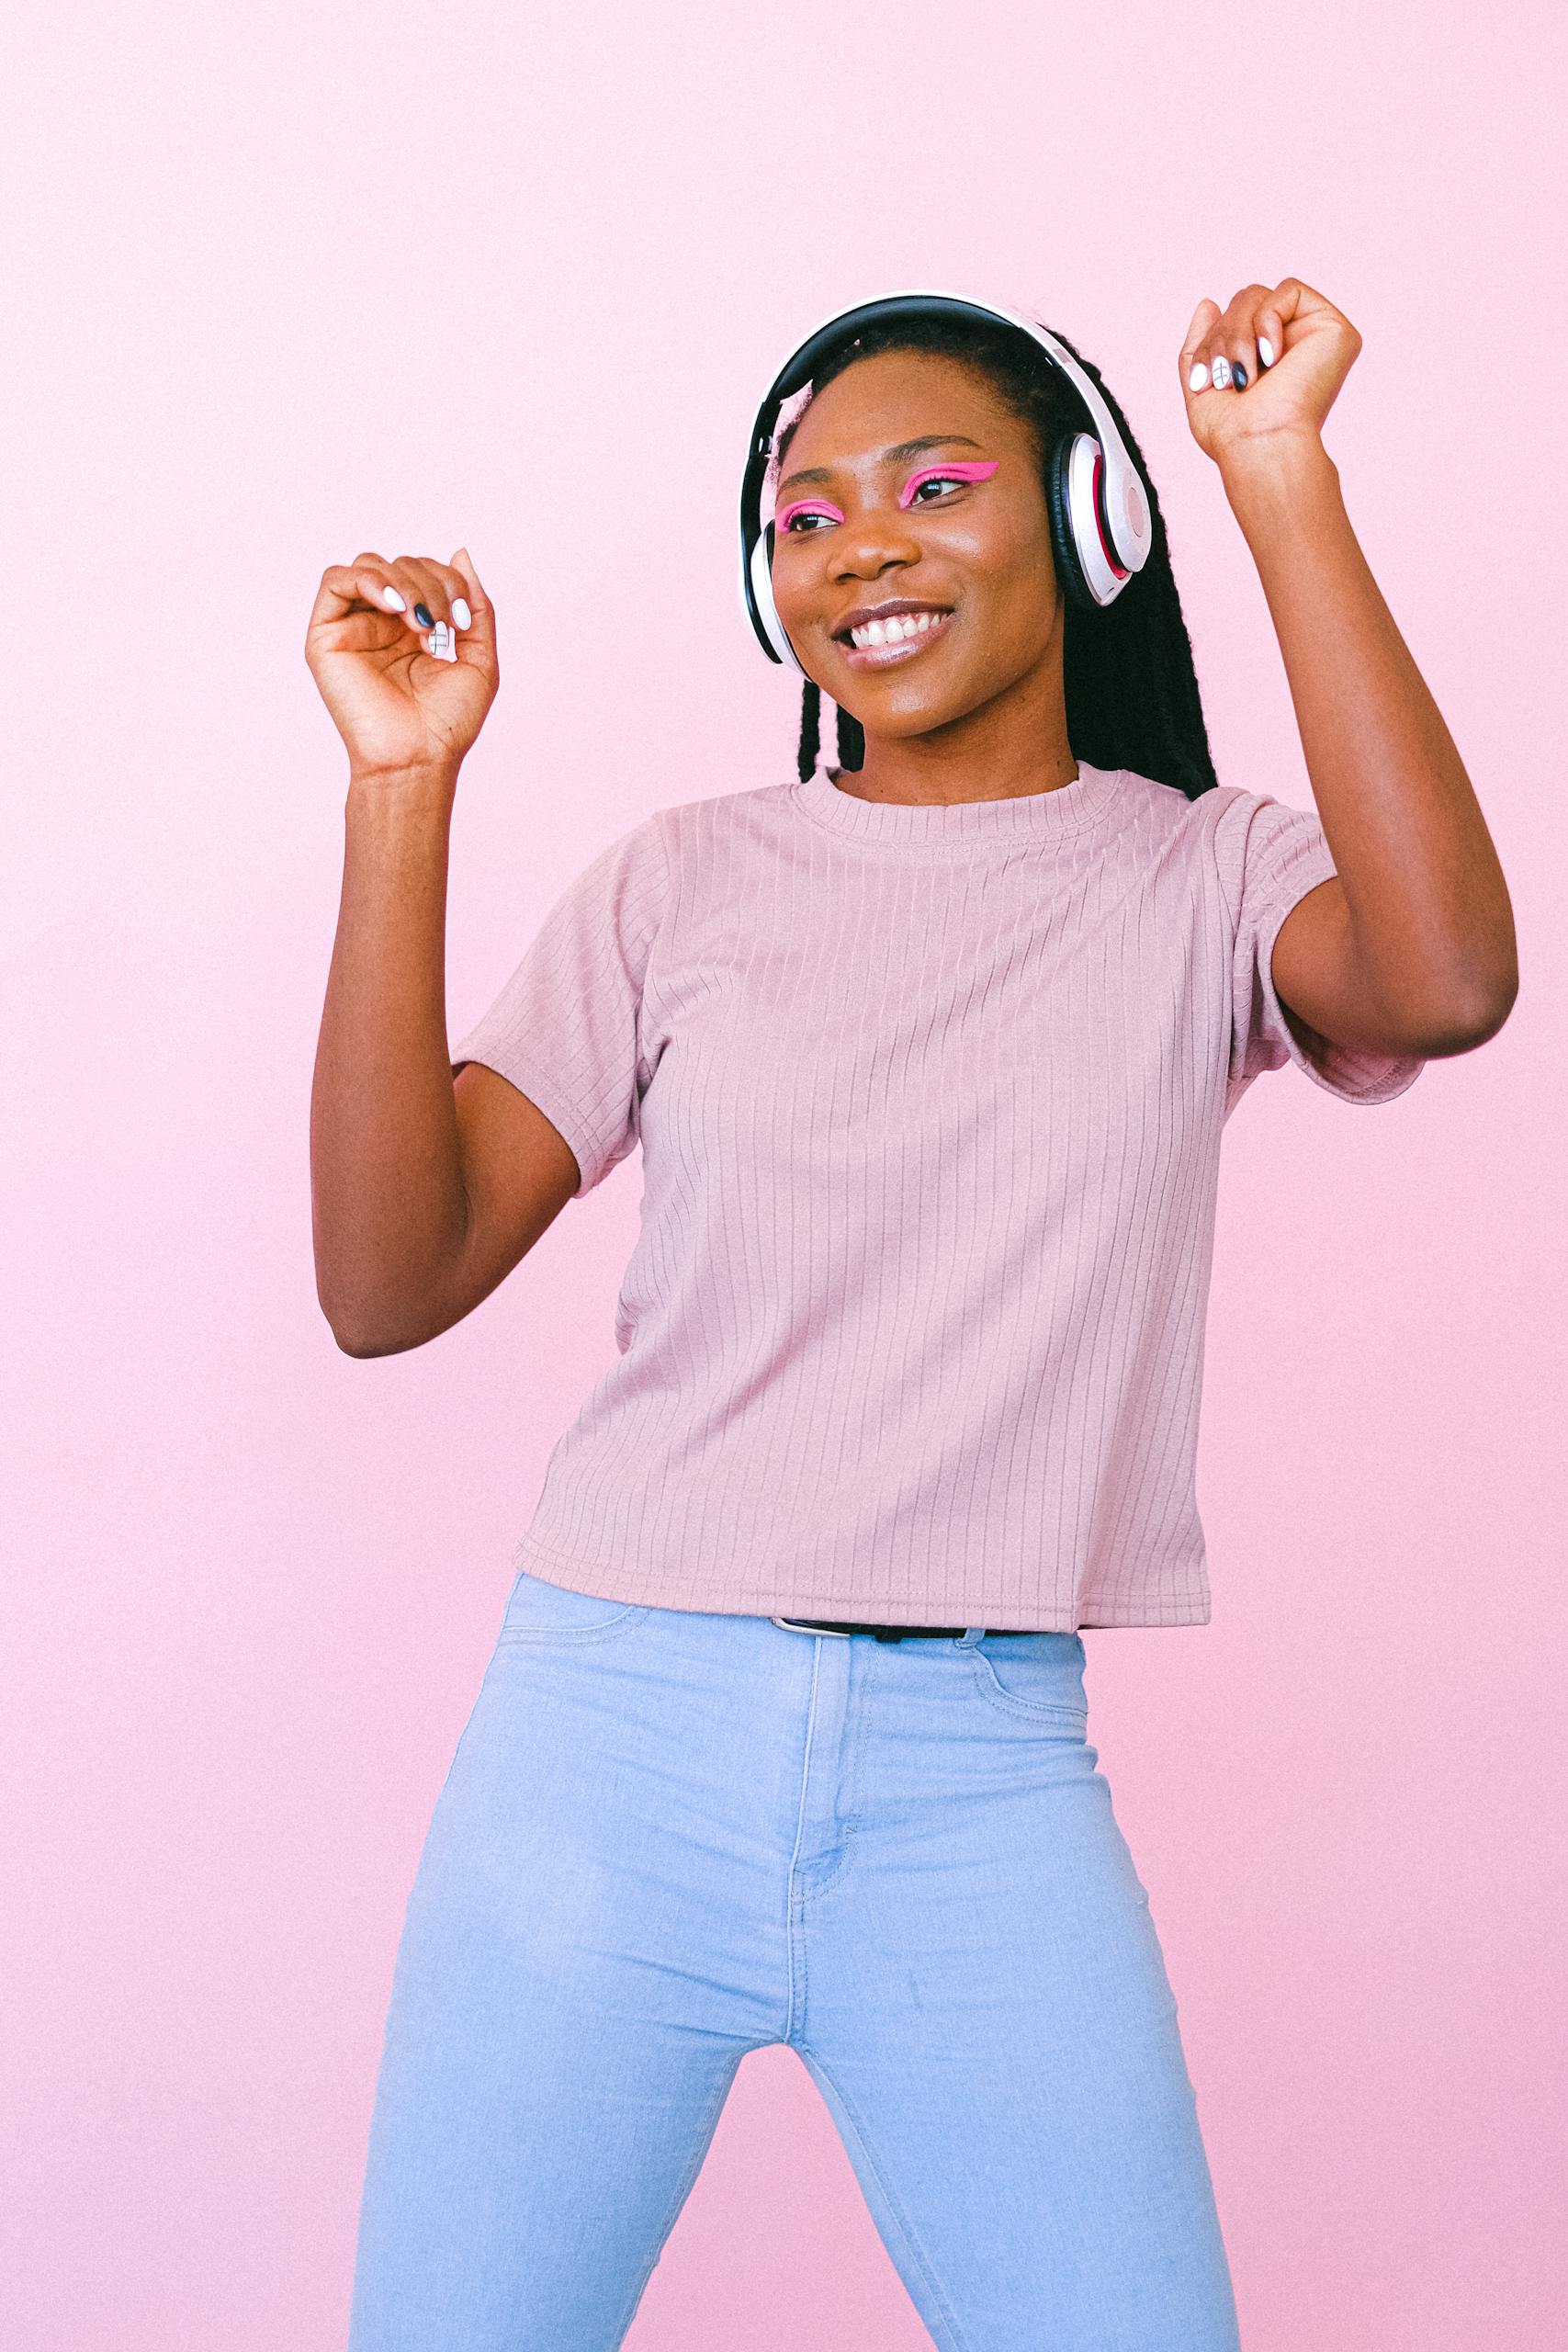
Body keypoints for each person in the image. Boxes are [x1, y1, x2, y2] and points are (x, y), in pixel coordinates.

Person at [307, 277, 1517, 2352]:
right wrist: (402, 788)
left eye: (933, 484)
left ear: (1087, 523)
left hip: (982, 1774)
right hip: (603, 1744)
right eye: (800, 515)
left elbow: (1440, 982)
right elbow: (385, 1279)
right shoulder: (677, 883)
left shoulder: (1205, 879)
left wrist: (1271, 473)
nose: (855, 541)